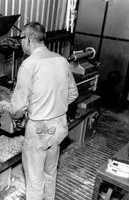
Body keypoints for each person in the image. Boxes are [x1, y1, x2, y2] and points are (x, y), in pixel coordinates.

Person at [10, 22, 79, 200]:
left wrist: (19, 118)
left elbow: (18, 108)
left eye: (21, 40)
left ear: (27, 39)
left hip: (39, 130)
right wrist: (55, 107)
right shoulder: (62, 60)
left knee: (34, 180)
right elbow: (73, 93)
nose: (20, 44)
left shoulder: (28, 65)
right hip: (59, 127)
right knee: (50, 172)